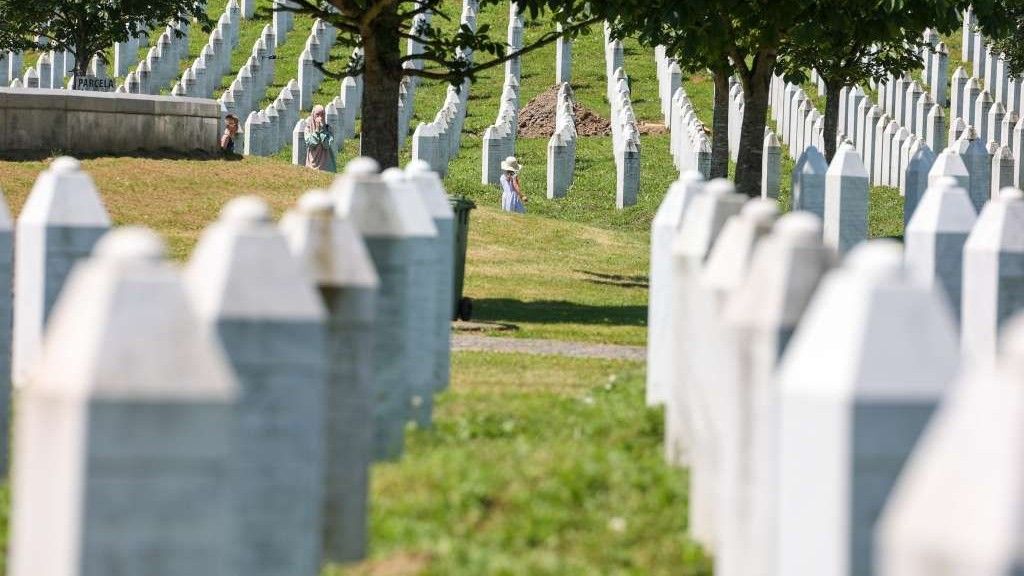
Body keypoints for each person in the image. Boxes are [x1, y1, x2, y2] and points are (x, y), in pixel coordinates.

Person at [304, 104, 337, 173]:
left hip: (326, 164)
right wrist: (316, 130)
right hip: (312, 161)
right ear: (313, 115)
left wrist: (322, 130)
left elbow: (326, 145)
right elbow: (311, 143)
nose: (320, 117)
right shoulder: (308, 129)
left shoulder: (329, 129)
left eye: (322, 115)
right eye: (317, 115)